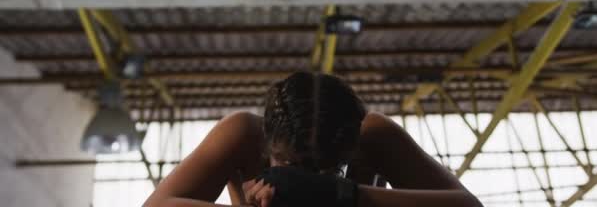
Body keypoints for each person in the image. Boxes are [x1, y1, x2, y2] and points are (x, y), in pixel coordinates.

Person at [144, 72, 483, 207]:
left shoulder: (374, 136)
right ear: (267, 143)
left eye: (328, 168)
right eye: (293, 165)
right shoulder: (242, 135)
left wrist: (346, 196)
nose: (310, 176)